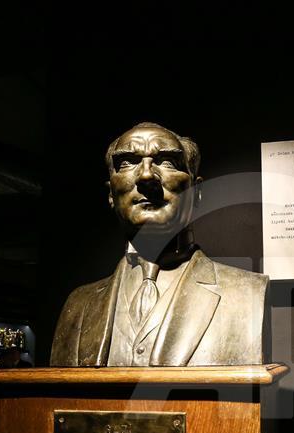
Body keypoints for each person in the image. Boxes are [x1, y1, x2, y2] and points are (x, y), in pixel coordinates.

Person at [50, 122, 267, 367]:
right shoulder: (78, 306)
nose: (146, 176)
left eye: (167, 162)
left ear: (196, 192)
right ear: (111, 193)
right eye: (127, 162)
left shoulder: (248, 294)